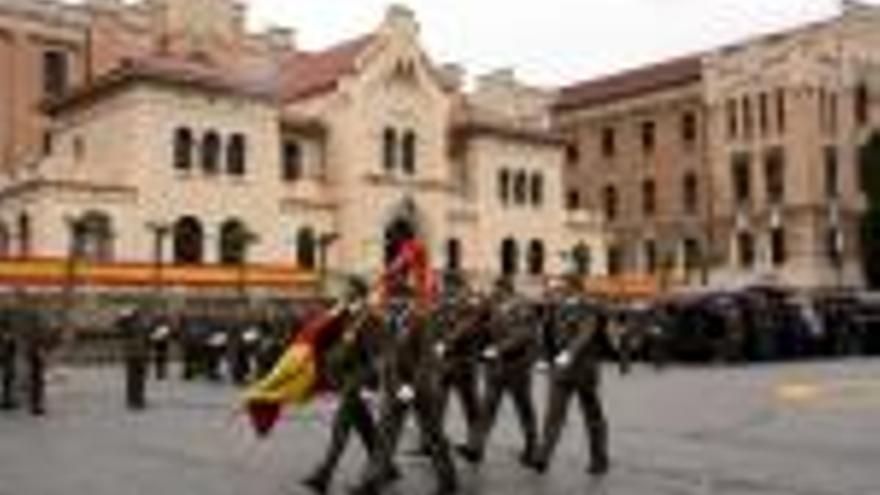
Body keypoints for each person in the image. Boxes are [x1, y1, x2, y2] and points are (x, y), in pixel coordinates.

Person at [351, 281, 458, 495]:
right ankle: (371, 482)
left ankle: (448, 480)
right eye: (390, 299)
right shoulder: (390, 321)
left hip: (422, 388)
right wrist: (384, 383)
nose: (391, 303)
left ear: (407, 300)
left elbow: (425, 359)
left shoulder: (421, 321)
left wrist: (412, 386)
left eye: (396, 299)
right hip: (395, 386)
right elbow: (388, 356)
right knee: (385, 435)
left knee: (433, 435)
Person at [302, 277, 387, 494]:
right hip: (348, 378)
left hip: (358, 381)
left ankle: (324, 474)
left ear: (357, 292)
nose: (342, 291)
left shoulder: (369, 318)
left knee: (341, 427)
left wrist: (371, 387)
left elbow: (376, 357)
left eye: (347, 289)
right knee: (366, 428)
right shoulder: (348, 315)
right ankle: (387, 466)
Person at [528, 276, 610, 476]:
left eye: (561, 288)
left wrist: (569, 353)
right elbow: (545, 334)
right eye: (557, 289)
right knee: (553, 414)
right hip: (561, 370)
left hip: (584, 369)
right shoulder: (556, 308)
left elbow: (586, 332)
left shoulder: (588, 306)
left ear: (574, 288)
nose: (557, 292)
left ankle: (599, 458)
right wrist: (543, 358)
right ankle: (543, 457)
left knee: (592, 416)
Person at [462, 277, 538, 467]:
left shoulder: (522, 306)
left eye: (495, 290)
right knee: (487, 408)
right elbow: (475, 324)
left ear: (505, 289)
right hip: (496, 367)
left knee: (523, 409)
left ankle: (532, 447)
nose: (492, 293)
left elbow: (524, 334)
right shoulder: (494, 306)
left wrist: (499, 349)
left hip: (517, 366)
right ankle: (475, 448)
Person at [119, 306, 149, 411]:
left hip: (136, 354)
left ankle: (135, 399)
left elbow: (148, 338)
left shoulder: (132, 325)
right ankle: (136, 400)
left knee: (134, 379)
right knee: (136, 379)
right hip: (137, 354)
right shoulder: (132, 325)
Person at [0, 306, 19, 411]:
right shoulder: (7, 338)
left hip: (8, 362)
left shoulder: (6, 337)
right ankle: (6, 401)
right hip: (8, 362)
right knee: (7, 382)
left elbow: (12, 350)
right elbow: (9, 350)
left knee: (8, 382)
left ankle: (7, 400)